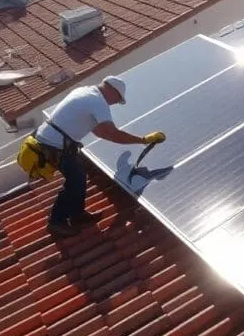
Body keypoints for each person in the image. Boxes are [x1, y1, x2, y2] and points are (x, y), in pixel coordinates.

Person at [34, 76, 165, 237]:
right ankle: (56, 222)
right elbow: (112, 133)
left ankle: (77, 214)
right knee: (75, 182)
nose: (115, 103)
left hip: (52, 141)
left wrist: (135, 142)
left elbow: (101, 132)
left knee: (79, 177)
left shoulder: (85, 92)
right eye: (118, 99)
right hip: (54, 145)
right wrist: (142, 140)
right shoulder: (98, 101)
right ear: (112, 91)